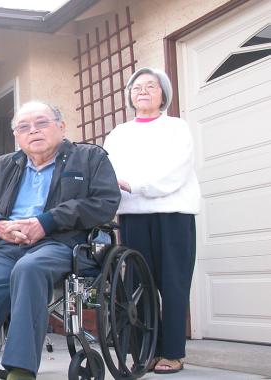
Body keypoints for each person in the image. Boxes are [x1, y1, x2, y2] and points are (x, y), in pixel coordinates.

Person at [0, 101, 121, 380]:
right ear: (17, 137)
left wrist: (47, 222)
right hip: (6, 246)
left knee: (29, 269)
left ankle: (21, 369)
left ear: (61, 126)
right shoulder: (3, 166)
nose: (33, 131)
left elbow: (104, 203)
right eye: (24, 127)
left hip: (62, 244)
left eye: (42, 123)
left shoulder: (90, 157)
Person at [103, 67, 200, 375]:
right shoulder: (119, 133)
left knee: (173, 283)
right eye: (136, 88)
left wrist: (138, 185)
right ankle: (145, 351)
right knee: (137, 286)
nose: (142, 91)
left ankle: (172, 352)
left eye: (150, 86)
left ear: (163, 95)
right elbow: (109, 171)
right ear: (130, 96)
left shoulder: (177, 127)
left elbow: (176, 170)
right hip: (133, 215)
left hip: (173, 214)